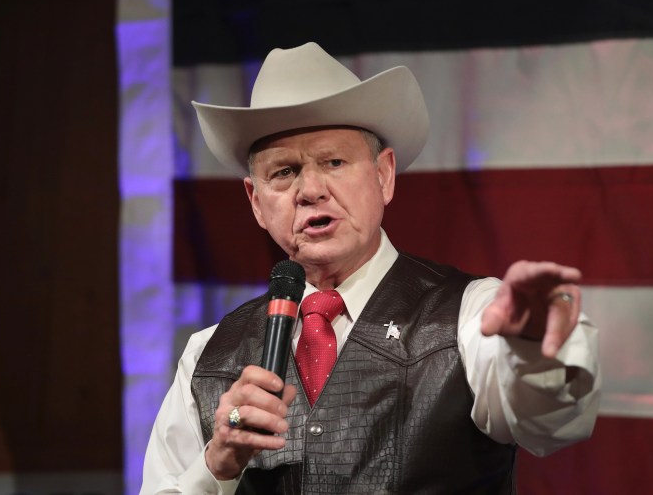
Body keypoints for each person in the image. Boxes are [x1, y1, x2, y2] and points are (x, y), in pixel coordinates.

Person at [141, 42, 600, 494]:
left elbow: (549, 424)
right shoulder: (209, 357)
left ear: (384, 175)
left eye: (334, 162)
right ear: (256, 203)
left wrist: (535, 352)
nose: (310, 190)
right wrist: (216, 465)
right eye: (283, 172)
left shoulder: (471, 313)